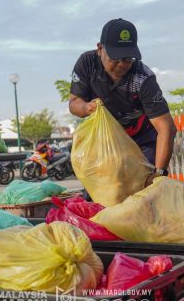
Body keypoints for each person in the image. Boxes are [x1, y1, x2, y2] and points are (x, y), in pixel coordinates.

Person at [69, 18, 177, 182]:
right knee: (101, 191)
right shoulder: (87, 64)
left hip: (142, 142)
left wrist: (159, 174)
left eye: (128, 58)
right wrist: (86, 107)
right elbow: (74, 102)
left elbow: (166, 128)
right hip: (105, 143)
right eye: (116, 58)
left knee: (142, 188)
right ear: (100, 49)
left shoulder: (143, 78)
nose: (122, 64)